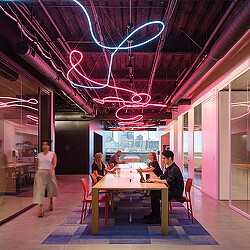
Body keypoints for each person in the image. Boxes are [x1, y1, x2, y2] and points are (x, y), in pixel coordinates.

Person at [144, 150, 185, 224]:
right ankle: (154, 214)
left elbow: (167, 181)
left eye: (164, 158)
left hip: (175, 193)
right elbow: (162, 177)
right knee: (153, 192)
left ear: (170, 158)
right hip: (170, 189)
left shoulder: (175, 169)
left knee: (155, 193)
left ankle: (156, 218)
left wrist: (155, 181)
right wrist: (154, 179)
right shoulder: (169, 167)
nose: (162, 160)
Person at [33, 140, 59, 217]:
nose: (44, 146)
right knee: (40, 190)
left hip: (49, 173)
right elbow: (36, 164)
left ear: (49, 146)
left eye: (46, 145)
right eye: (43, 145)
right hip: (40, 173)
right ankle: (41, 209)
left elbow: (54, 163)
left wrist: (51, 169)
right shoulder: (39, 155)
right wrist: (39, 170)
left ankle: (51, 202)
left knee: (50, 188)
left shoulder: (52, 154)